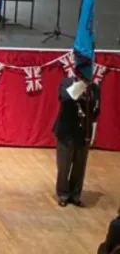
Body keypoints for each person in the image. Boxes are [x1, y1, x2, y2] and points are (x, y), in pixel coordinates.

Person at [54, 62, 101, 207]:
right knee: (64, 165)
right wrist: (81, 85)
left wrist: (92, 131)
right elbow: (65, 99)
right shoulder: (66, 83)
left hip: (84, 132)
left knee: (80, 166)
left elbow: (96, 109)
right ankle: (63, 193)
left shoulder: (95, 88)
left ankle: (75, 195)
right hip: (66, 132)